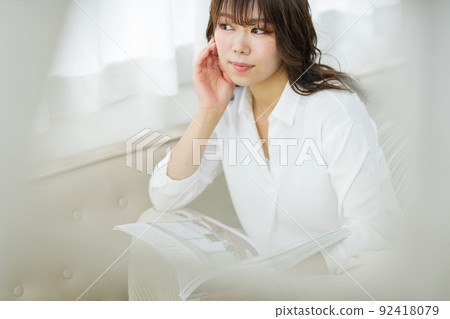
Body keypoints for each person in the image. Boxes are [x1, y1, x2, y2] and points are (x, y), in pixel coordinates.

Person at [147, 0, 403, 299]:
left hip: (350, 282)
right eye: (226, 26)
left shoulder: (334, 110)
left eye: (258, 30)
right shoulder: (228, 111)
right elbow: (164, 196)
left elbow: (372, 234)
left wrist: (268, 284)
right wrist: (208, 110)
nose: (239, 47)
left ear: (289, 35)